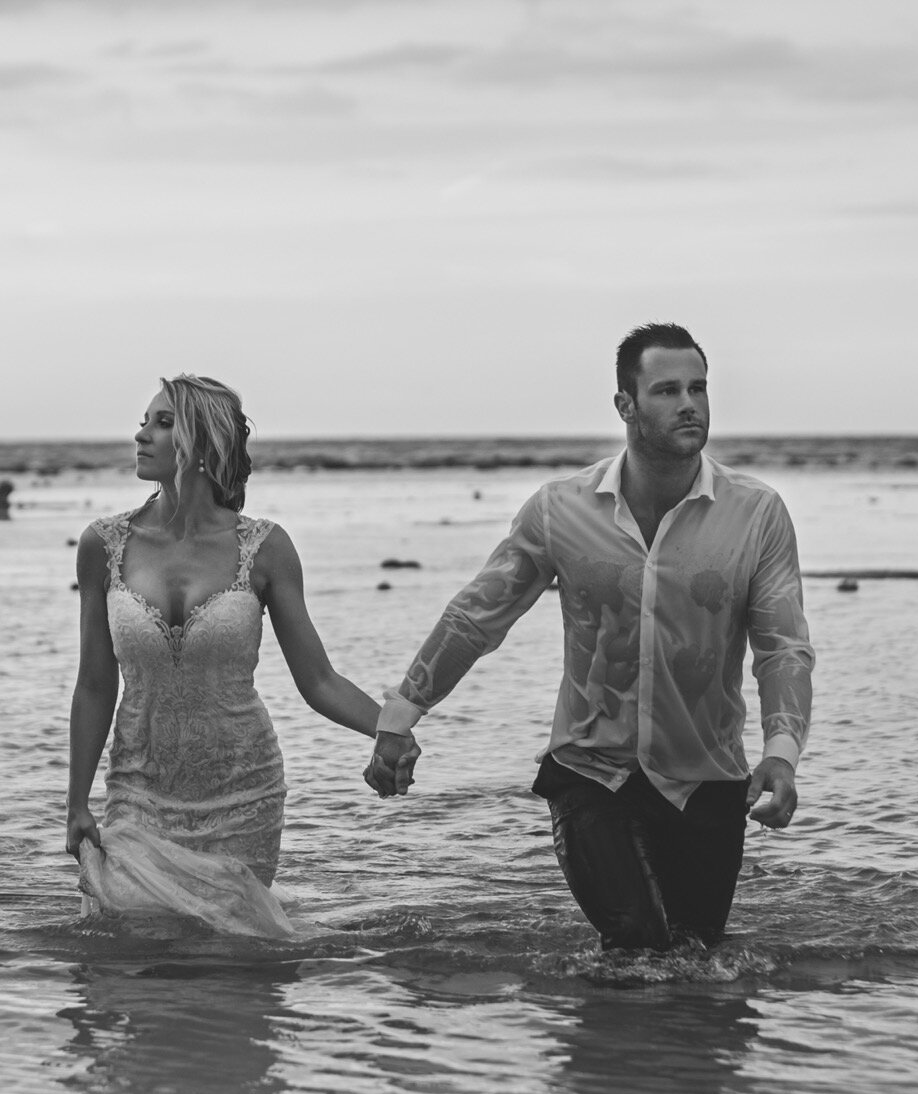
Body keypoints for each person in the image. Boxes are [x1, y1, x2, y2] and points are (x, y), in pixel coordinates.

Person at [363, 323, 813, 951]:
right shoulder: (559, 510)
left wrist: (782, 754)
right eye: (666, 390)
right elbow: (478, 616)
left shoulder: (757, 514)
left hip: (707, 778)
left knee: (700, 965)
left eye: (699, 388)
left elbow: (782, 647)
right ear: (625, 406)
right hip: (591, 771)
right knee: (635, 942)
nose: (689, 404)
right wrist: (400, 715)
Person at [67, 374, 415, 937]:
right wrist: (76, 801)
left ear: (205, 444)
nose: (141, 435)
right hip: (138, 789)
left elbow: (319, 680)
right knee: (131, 952)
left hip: (242, 790)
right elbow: (94, 685)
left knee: (227, 964)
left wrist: (389, 728)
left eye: (162, 422)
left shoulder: (265, 547)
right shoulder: (103, 545)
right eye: (144, 421)